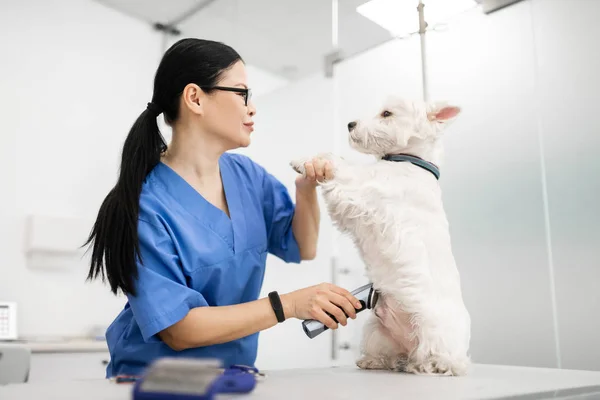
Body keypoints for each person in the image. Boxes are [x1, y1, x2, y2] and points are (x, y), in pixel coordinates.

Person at [84, 38, 363, 378]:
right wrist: (287, 305)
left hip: (232, 375)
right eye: (241, 93)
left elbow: (303, 247)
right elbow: (178, 329)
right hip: (156, 380)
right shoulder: (145, 206)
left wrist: (305, 190)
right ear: (195, 98)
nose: (252, 107)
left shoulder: (247, 176)